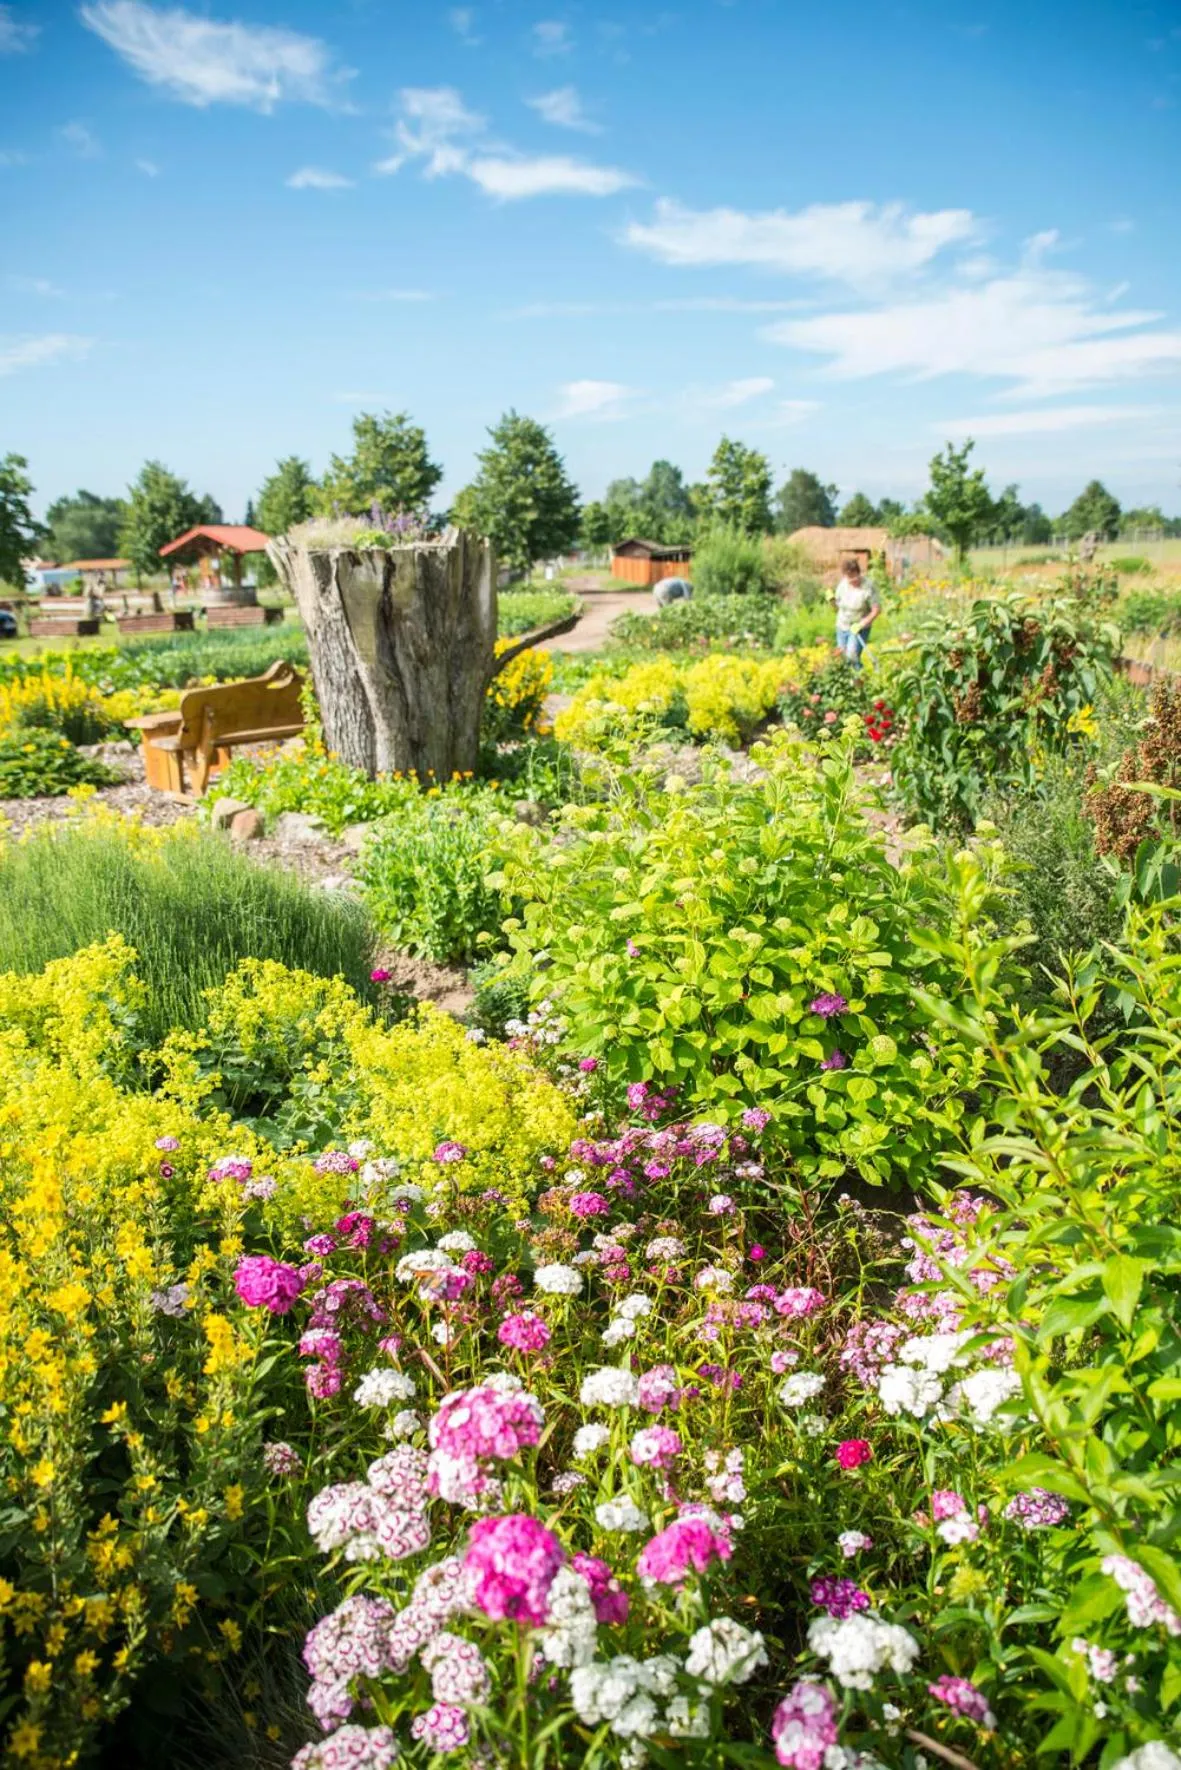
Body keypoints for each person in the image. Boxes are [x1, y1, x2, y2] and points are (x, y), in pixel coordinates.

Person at [833, 558, 879, 667]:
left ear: (859, 573)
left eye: (855, 576)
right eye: (849, 578)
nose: (853, 580)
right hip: (842, 625)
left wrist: (861, 624)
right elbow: (837, 608)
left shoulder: (868, 587)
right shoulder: (842, 585)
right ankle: (848, 682)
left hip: (859, 627)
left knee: (852, 656)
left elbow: (876, 610)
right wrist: (831, 601)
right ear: (845, 576)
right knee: (842, 657)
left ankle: (858, 680)